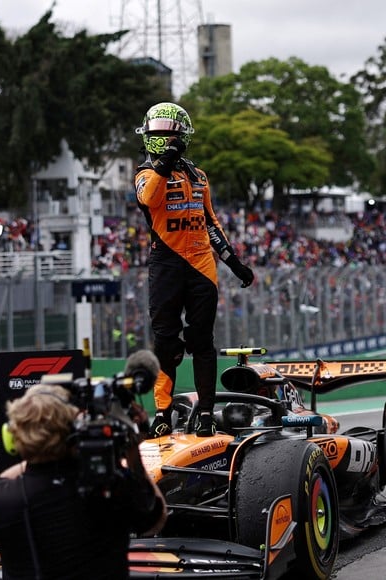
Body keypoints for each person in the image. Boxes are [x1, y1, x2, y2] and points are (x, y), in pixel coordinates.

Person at [134, 102, 255, 438]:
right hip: (166, 264)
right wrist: (166, 162)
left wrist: (233, 262)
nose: (163, 137)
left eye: (168, 131)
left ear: (183, 134)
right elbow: (149, 199)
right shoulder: (144, 173)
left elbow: (211, 222)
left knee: (202, 340)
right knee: (166, 342)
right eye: (156, 131)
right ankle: (162, 410)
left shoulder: (199, 175)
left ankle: (205, 411)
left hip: (202, 263)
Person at [0, 385, 166, 580]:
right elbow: (155, 520)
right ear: (75, 432)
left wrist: (37, 449)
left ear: (13, 436)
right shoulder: (109, 488)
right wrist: (132, 453)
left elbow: (18, 473)